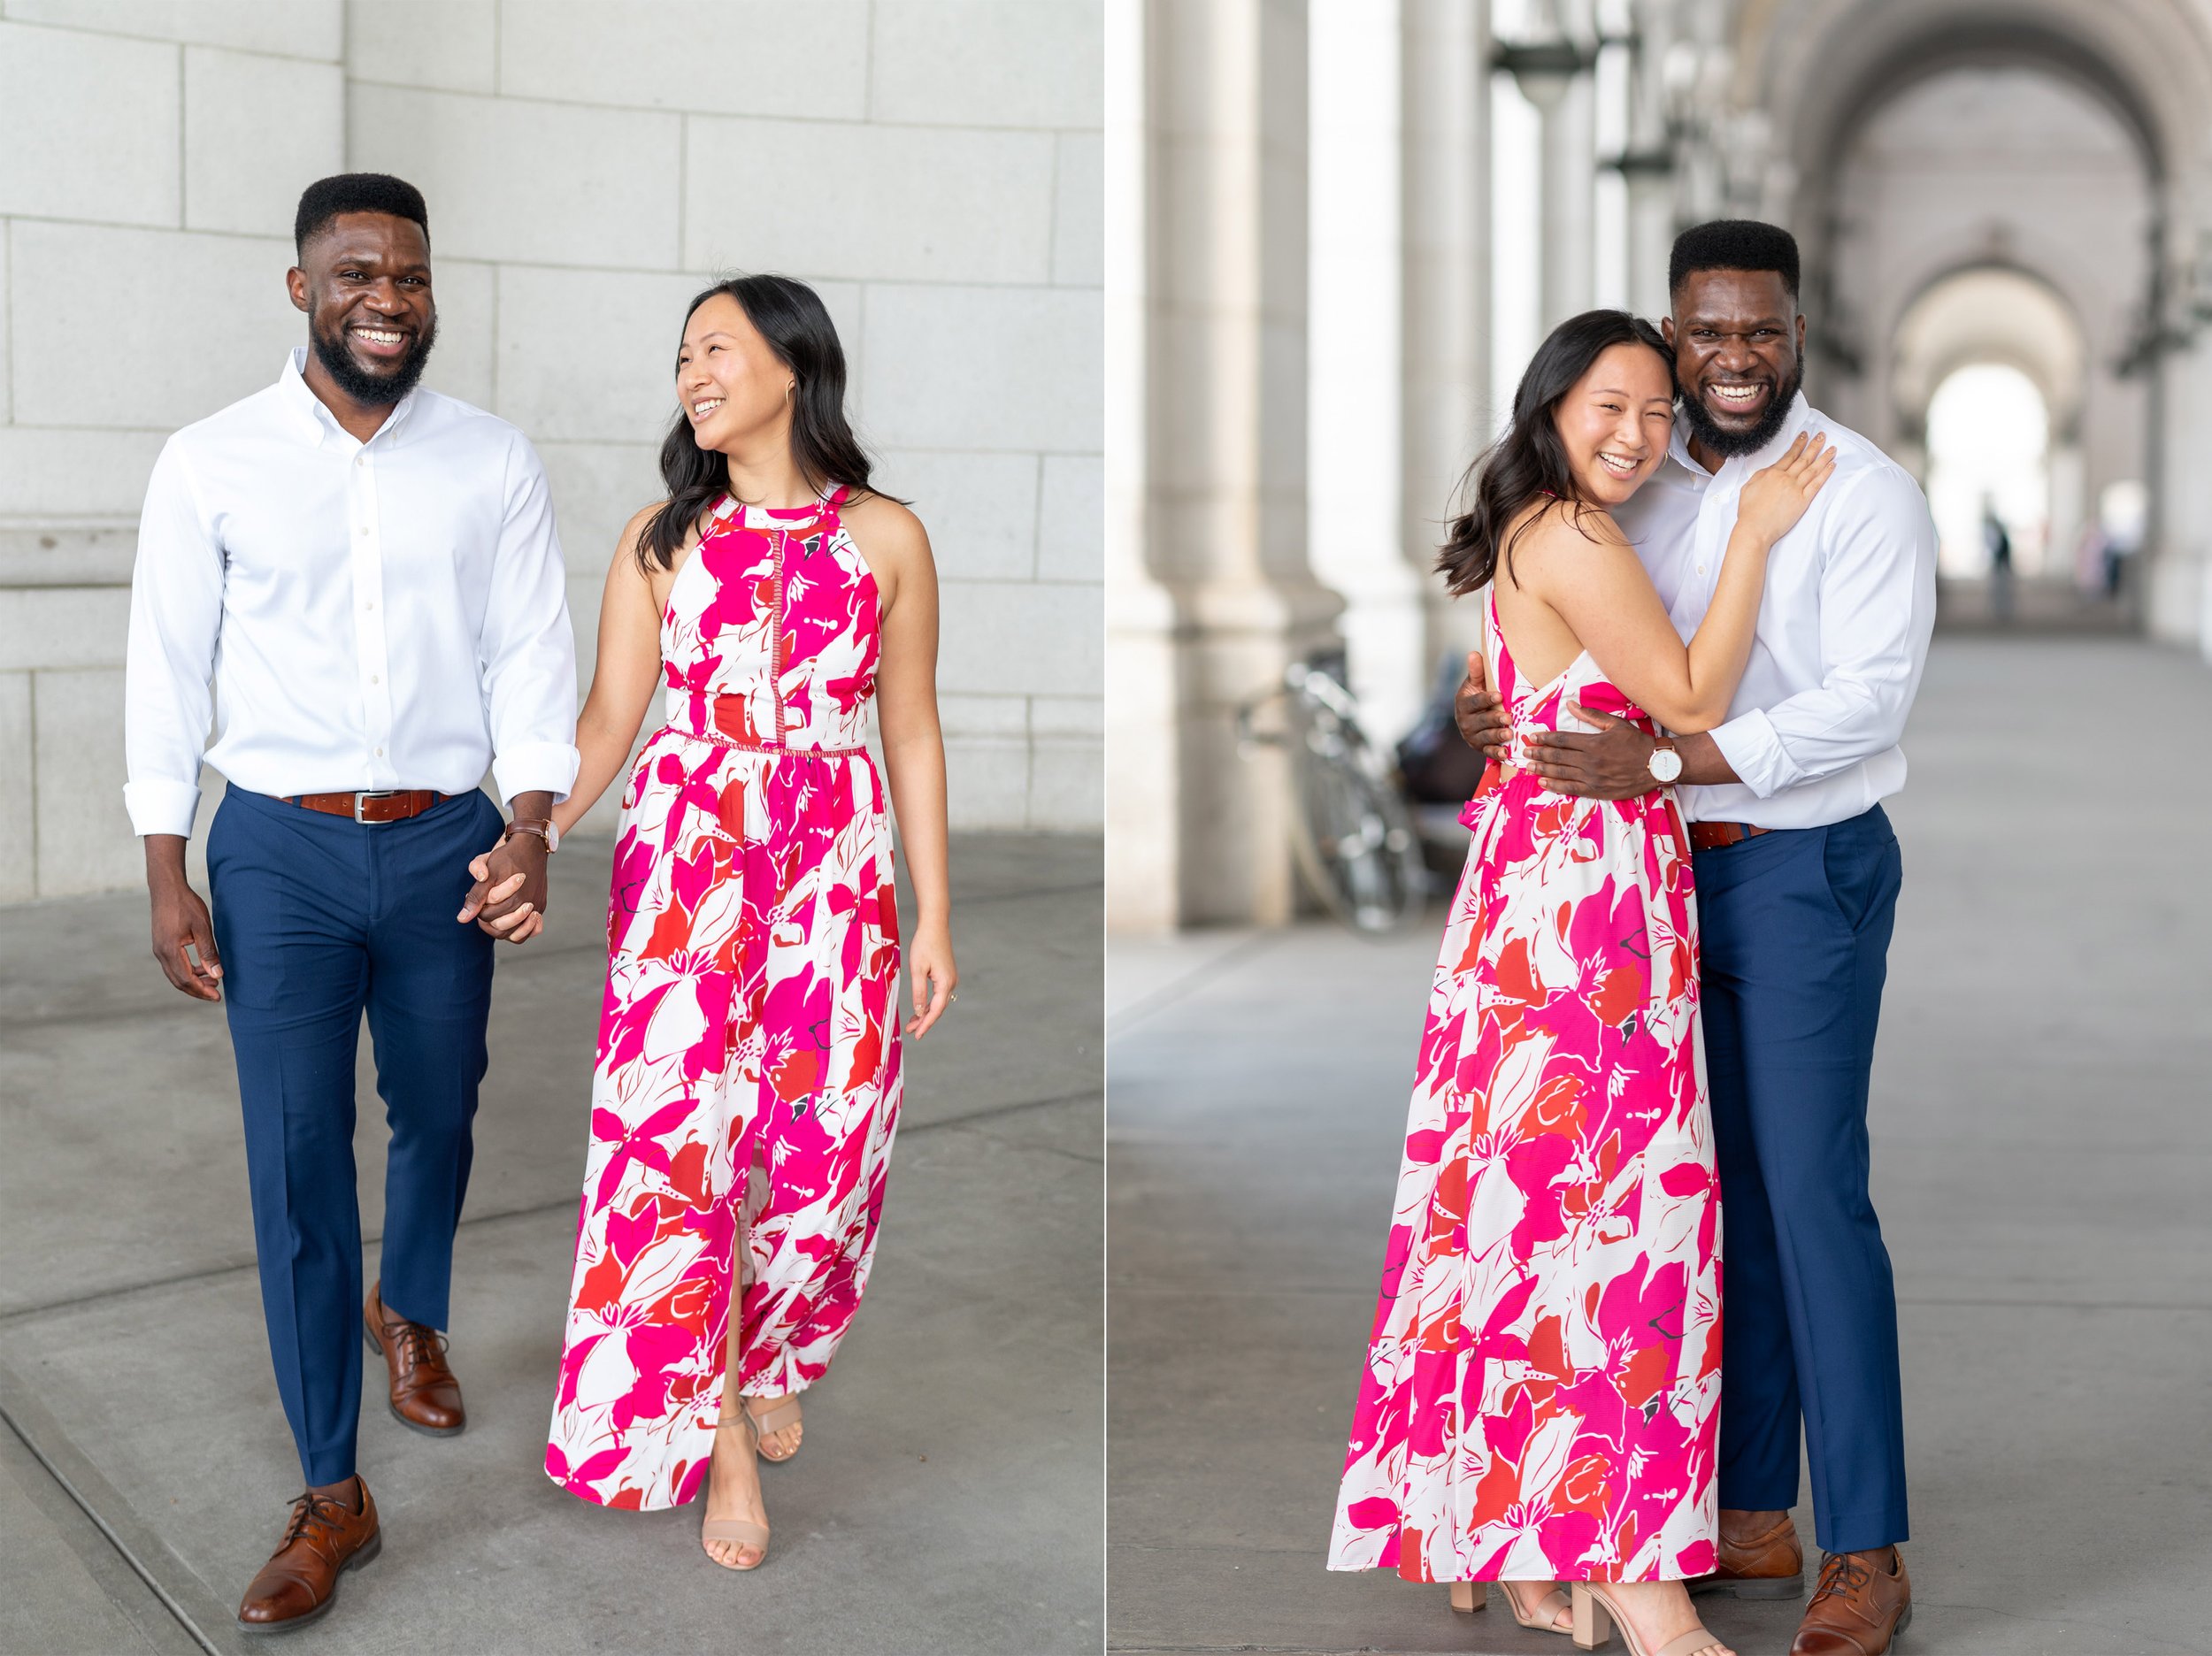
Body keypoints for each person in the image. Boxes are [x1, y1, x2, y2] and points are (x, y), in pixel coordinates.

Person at [1456, 221, 1936, 1656]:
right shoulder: (1634, 483)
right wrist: (1509, 713)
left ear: (1800, 331)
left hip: (1798, 874)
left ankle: (1865, 1543)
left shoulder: (1861, 492)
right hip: (1649, 889)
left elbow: (1865, 704)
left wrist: (1678, 769)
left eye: (1760, 332)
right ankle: (1743, 1510)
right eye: (1704, 335)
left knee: (1808, 1197)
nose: (1731, 359)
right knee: (1695, 1199)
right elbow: (1578, 649)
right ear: (1674, 332)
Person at [1329, 306, 1834, 1656]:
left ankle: (1534, 1534)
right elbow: (1685, 697)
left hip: (1560, 893)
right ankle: (1634, 1579)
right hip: (1582, 913)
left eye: (1659, 412)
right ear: (1552, 407)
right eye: (1612, 405)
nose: (1640, 432)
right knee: (1620, 1228)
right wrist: (1757, 540)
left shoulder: (1533, 531)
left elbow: (1527, 717)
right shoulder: (1569, 531)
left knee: (1539, 1219)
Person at [123, 172, 577, 1634]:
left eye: (413, 275)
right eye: (358, 271)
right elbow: (165, 665)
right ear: (302, 284)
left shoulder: (491, 461)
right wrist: (164, 860)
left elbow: (528, 654)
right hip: (278, 850)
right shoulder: (211, 462)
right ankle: (333, 1492)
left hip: (448, 838)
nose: (389, 296)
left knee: (442, 1108)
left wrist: (532, 823)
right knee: (299, 1160)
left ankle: (415, 1311)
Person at [534, 274, 956, 1570]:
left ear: (792, 363)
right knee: (686, 1157)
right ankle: (716, 1429)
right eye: (681, 357)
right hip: (687, 870)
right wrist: (535, 832)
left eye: (716, 348)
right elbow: (610, 715)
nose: (693, 374)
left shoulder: (886, 536)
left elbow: (912, 725)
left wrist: (933, 913)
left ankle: (773, 1349)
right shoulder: (662, 539)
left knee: (831, 1157)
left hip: (834, 869)